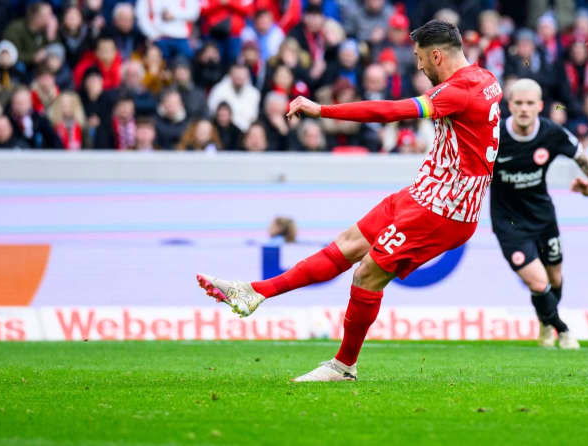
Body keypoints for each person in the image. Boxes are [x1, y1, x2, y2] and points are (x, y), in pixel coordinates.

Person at [196, 20, 503, 381]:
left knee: (366, 275)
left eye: (421, 59)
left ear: (436, 55)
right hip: (423, 192)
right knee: (346, 245)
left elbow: (388, 112)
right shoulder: (485, 79)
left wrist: (322, 111)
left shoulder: (456, 91)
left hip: (443, 209)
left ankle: (343, 366)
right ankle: (253, 292)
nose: (419, 67)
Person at [490, 79, 588, 351]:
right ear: (509, 105)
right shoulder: (495, 137)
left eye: (529, 103)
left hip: (543, 217)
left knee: (555, 278)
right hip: (508, 222)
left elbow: (584, 160)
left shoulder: (551, 133)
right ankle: (563, 329)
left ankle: (546, 322)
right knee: (538, 281)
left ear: (539, 106)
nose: (524, 109)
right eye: (518, 103)